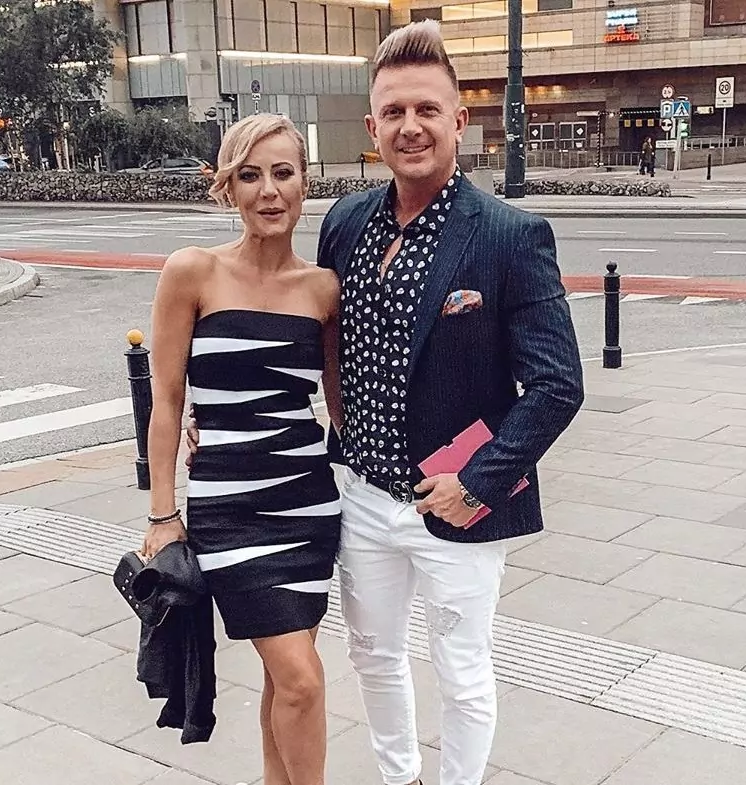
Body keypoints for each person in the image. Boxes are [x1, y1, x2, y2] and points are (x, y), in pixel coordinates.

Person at [188, 19, 584, 785]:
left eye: (427, 109)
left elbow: (558, 383)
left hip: (459, 503)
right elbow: (306, 335)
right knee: (373, 655)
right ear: (373, 128)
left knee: (462, 670)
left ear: (459, 121)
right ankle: (400, 776)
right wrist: (223, 411)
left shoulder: (510, 236)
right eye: (394, 111)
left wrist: (478, 482)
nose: (411, 126)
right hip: (363, 497)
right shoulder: (346, 223)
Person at [143, 113, 342, 785]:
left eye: (283, 173)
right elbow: (166, 399)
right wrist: (162, 513)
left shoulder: (322, 289)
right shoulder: (192, 271)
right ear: (228, 188)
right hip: (229, 511)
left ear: (305, 182)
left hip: (308, 506)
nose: (268, 191)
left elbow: (341, 407)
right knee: (303, 679)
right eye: (250, 176)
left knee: (284, 679)